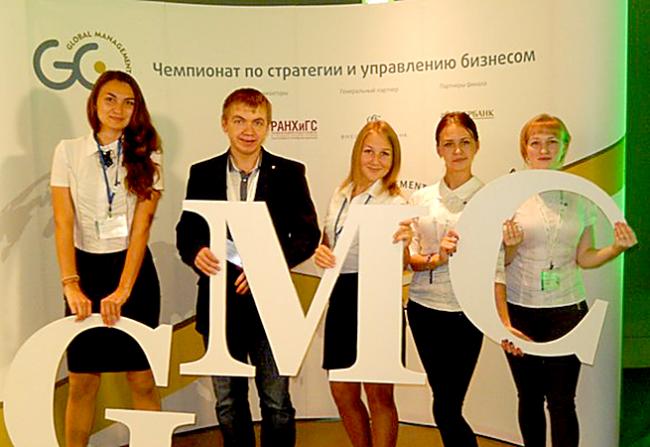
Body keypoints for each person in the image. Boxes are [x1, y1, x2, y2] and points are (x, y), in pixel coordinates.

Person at [175, 88, 320, 447]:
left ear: (269, 126)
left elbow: (307, 235)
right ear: (224, 124)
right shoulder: (202, 173)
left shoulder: (290, 173)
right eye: (239, 120)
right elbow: (187, 231)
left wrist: (264, 267)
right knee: (228, 404)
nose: (248, 130)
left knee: (277, 403)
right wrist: (195, 251)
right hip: (219, 306)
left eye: (258, 122)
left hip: (271, 305)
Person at [498, 113, 637, 447]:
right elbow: (499, 266)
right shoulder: (508, 197)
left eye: (552, 142)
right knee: (529, 396)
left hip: (568, 309)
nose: (544, 149)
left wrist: (616, 248)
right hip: (520, 309)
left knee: (562, 401)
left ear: (564, 148)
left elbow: (584, 257)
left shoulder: (580, 196)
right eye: (535, 143)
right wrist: (511, 246)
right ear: (525, 150)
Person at [50, 70, 163, 447]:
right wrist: (71, 284)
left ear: (137, 110)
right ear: (95, 104)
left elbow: (142, 227)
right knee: (82, 381)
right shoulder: (67, 151)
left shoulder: (149, 152)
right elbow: (63, 222)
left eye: (128, 102)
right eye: (110, 99)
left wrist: (124, 289)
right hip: (84, 272)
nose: (119, 108)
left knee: (142, 379)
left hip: (134, 272)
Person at [406, 112, 506, 447]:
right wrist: (438, 257)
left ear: (476, 145)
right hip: (424, 310)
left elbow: (497, 265)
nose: (457, 151)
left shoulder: (490, 198)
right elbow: (410, 259)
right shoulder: (420, 199)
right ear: (438, 149)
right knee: (444, 401)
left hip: (468, 313)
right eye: (448, 144)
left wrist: (503, 321)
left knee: (448, 405)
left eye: (465, 142)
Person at [314, 120, 411, 447]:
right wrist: (321, 252)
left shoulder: (396, 202)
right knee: (342, 390)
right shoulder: (339, 194)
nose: (376, 160)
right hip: (341, 294)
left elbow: (402, 261)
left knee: (379, 393)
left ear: (394, 159)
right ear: (357, 152)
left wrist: (404, 245)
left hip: (378, 297)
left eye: (385, 154)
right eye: (369, 151)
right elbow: (328, 241)